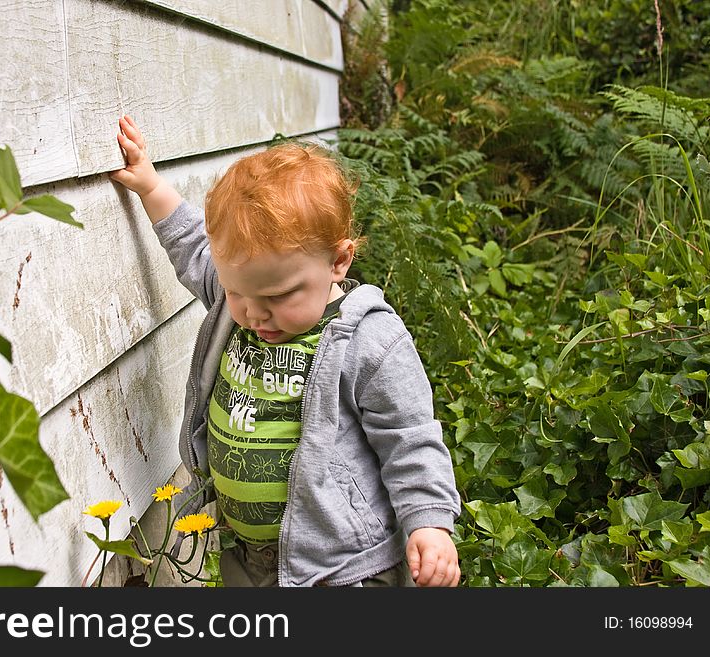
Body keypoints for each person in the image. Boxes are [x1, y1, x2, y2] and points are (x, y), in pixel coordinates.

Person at [110, 115, 461, 587]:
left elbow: (410, 437)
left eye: (278, 298)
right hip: (246, 553)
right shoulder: (238, 301)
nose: (254, 314)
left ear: (338, 262)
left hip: (343, 566)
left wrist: (430, 522)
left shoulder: (369, 340)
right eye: (238, 293)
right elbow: (195, 246)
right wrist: (150, 186)